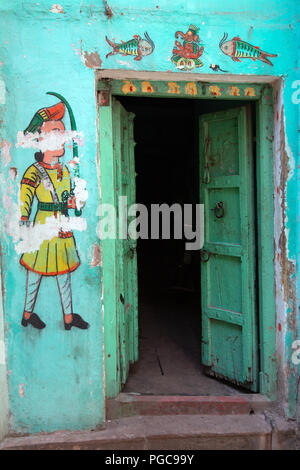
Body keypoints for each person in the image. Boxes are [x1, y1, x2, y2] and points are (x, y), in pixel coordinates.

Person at [19, 96, 89, 331]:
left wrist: (75, 201)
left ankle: (68, 317)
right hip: (43, 225)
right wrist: (23, 220)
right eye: (56, 133)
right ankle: (27, 314)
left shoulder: (66, 171)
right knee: (36, 271)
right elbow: (26, 196)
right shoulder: (35, 171)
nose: (63, 139)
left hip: (62, 224)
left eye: (63, 133)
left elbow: (69, 199)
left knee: (63, 272)